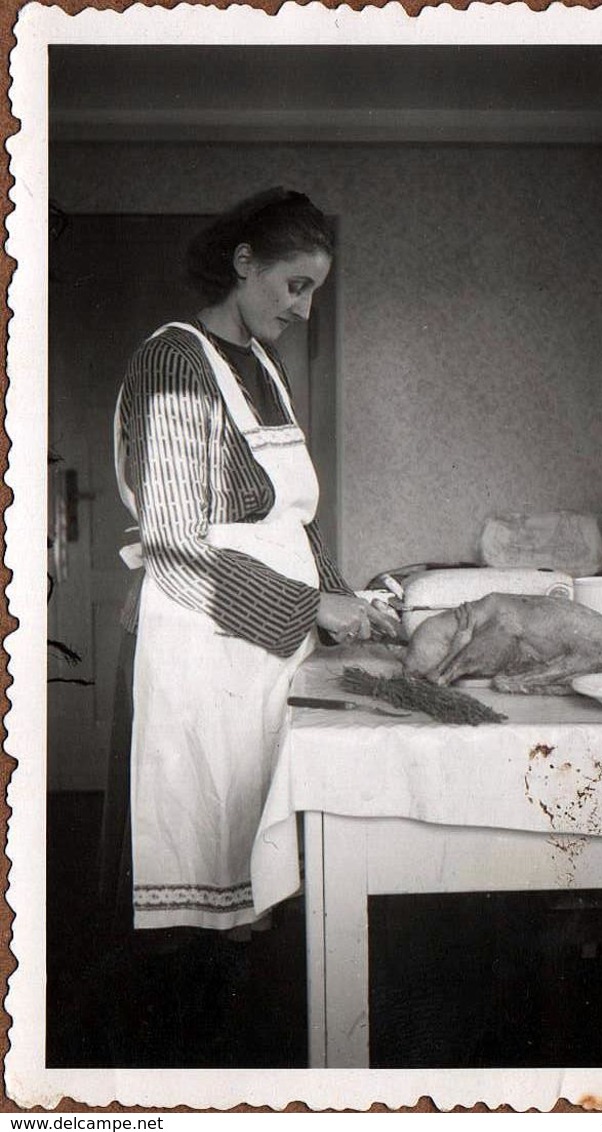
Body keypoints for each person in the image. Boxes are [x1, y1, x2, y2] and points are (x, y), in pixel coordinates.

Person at [111, 188, 396, 938]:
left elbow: (287, 522)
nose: (305, 308)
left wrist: (348, 603)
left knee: (262, 878)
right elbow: (175, 546)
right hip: (204, 653)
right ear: (244, 263)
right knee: (206, 887)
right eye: (295, 285)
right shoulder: (171, 362)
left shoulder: (264, 367)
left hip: (266, 653)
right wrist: (311, 608)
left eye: (314, 291)